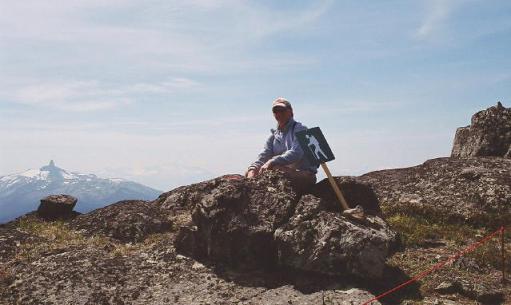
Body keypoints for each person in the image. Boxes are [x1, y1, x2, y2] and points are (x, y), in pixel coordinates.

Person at [245, 97, 318, 191]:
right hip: (285, 171)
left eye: (282, 110)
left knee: (276, 169)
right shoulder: (273, 136)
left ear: (291, 112)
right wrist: (253, 169)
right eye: (276, 111)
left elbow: (296, 153)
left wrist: (272, 161)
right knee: (250, 171)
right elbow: (263, 156)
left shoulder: (301, 129)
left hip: (304, 174)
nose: (279, 113)